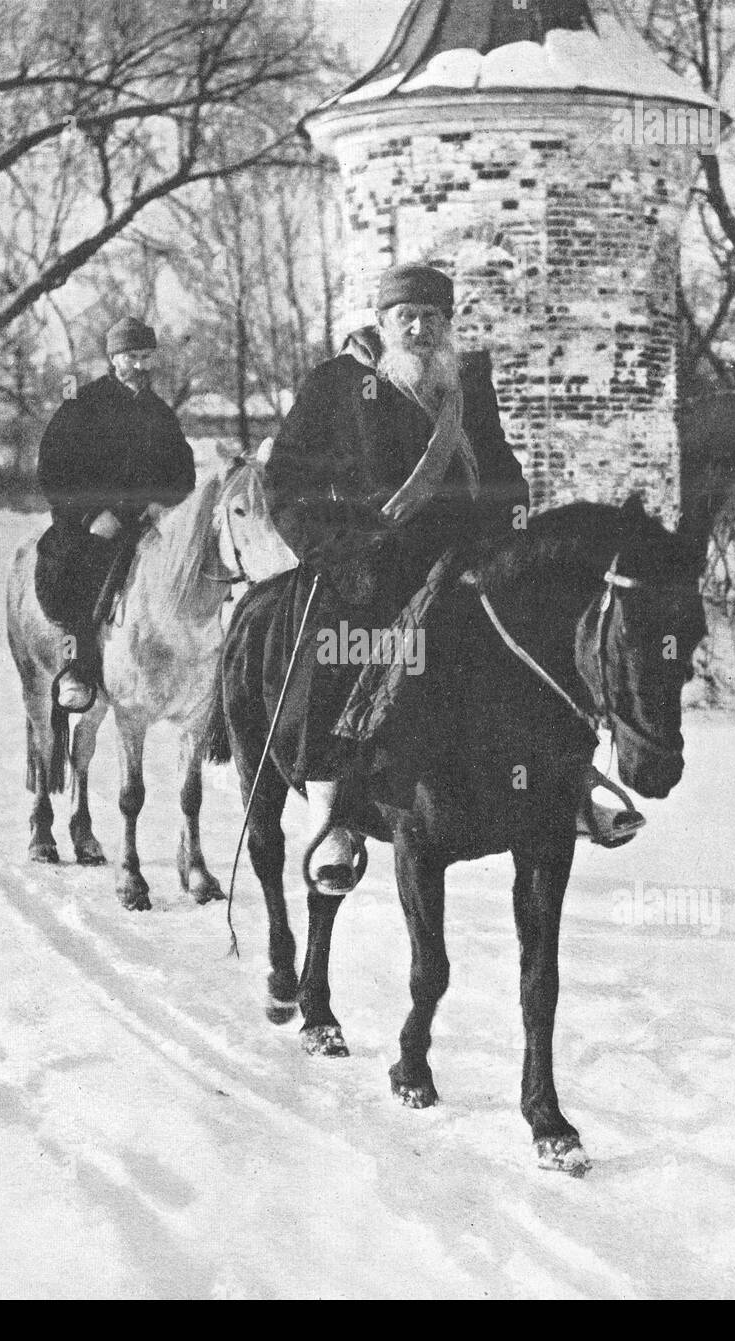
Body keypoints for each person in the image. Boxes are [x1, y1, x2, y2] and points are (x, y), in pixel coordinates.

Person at [263, 263, 530, 892]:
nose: (419, 327)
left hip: (463, 559)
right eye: (405, 316)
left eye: (432, 317)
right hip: (370, 562)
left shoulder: (466, 384)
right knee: (333, 654)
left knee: (530, 644)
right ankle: (334, 814)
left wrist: (511, 536)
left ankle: (561, 784)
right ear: (381, 323)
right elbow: (285, 481)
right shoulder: (338, 384)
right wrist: (331, 549)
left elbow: (501, 470)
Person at [35, 316, 196, 710]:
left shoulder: (161, 413)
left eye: (146, 356)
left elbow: (183, 472)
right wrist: (92, 516)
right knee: (80, 572)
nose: (141, 366)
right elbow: (54, 469)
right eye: (132, 357)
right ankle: (77, 669)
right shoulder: (83, 405)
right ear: (114, 358)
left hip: (146, 524)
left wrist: (164, 503)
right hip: (93, 524)